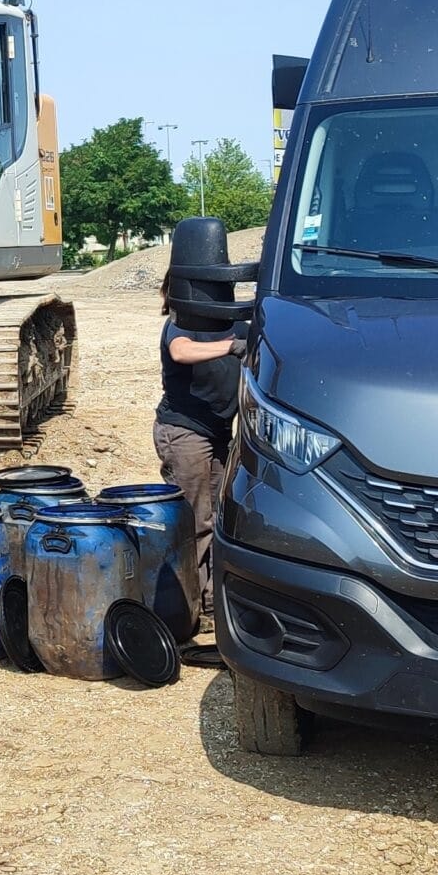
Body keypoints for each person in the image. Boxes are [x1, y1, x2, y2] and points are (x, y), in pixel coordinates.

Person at [153, 260, 244, 634]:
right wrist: (232, 346)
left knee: (220, 519)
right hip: (184, 431)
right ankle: (182, 611)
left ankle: (209, 605)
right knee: (193, 522)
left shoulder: (236, 321)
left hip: (220, 432)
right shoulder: (179, 325)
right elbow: (182, 353)